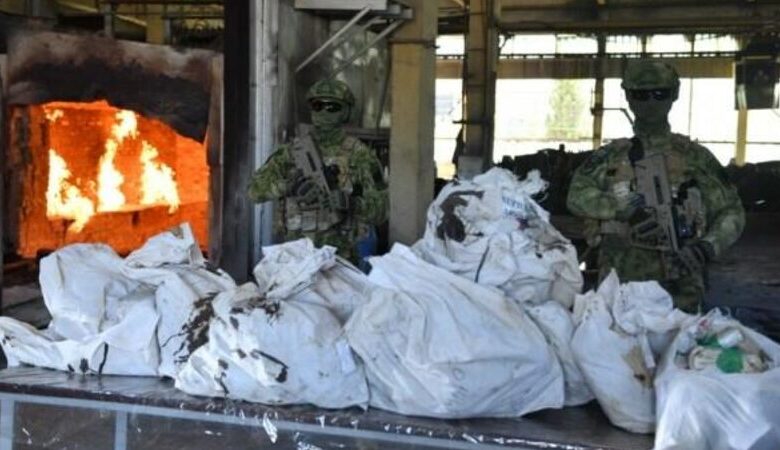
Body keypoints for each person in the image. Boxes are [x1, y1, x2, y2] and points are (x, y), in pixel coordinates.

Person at [566, 60, 745, 312]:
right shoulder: (609, 156)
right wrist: (617, 207)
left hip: (680, 286)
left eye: (660, 93)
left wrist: (706, 247)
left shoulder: (696, 157)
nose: (650, 102)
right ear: (628, 96)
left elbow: (731, 211)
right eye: (641, 94)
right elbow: (576, 195)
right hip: (619, 287)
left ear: (674, 94)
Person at [248, 79, 388, 266]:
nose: (324, 112)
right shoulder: (291, 152)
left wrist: (351, 203)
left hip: (341, 260)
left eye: (332, 107)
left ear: (347, 112)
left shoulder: (361, 156)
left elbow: (382, 211)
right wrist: (288, 185)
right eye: (318, 105)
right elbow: (254, 192)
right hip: (296, 260)